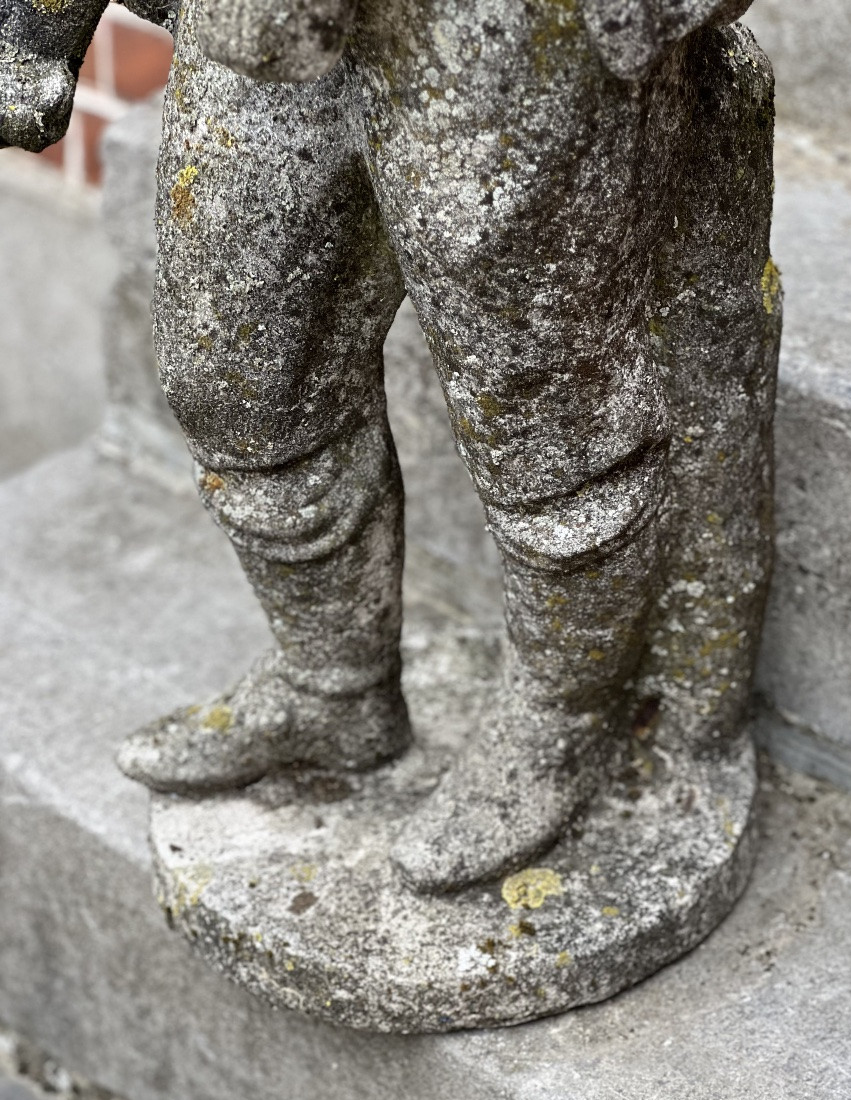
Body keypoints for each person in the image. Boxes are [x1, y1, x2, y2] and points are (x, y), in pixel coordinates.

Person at [0, 0, 781, 893]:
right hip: (261, 33)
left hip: (501, 35)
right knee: (236, 387)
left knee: (551, 446)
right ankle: (333, 688)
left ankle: (561, 723)